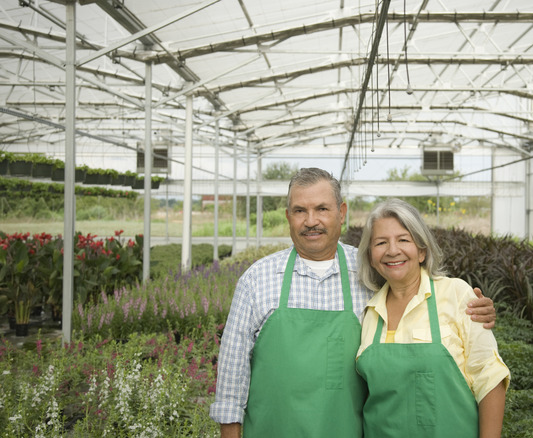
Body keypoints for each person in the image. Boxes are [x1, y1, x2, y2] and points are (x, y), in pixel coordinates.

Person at [210, 168, 496, 438]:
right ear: (288, 216)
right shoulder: (256, 280)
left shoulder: (369, 274)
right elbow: (231, 379)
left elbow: (416, 292)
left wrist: (475, 307)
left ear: (341, 213)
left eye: (322, 209)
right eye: (300, 211)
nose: (311, 221)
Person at [355, 198, 510, 438]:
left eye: (403, 240)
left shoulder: (456, 294)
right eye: (381, 242)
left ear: (421, 251)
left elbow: (490, 377)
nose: (392, 250)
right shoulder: (368, 312)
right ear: (371, 256)